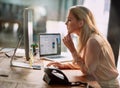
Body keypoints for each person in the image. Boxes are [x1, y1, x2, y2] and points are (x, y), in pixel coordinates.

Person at [47, 5, 119, 88]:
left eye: (69, 20)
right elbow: (85, 63)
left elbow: (88, 71)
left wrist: (72, 50)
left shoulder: (93, 41)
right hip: (98, 84)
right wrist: (64, 65)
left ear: (81, 23)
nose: (66, 23)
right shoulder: (88, 38)